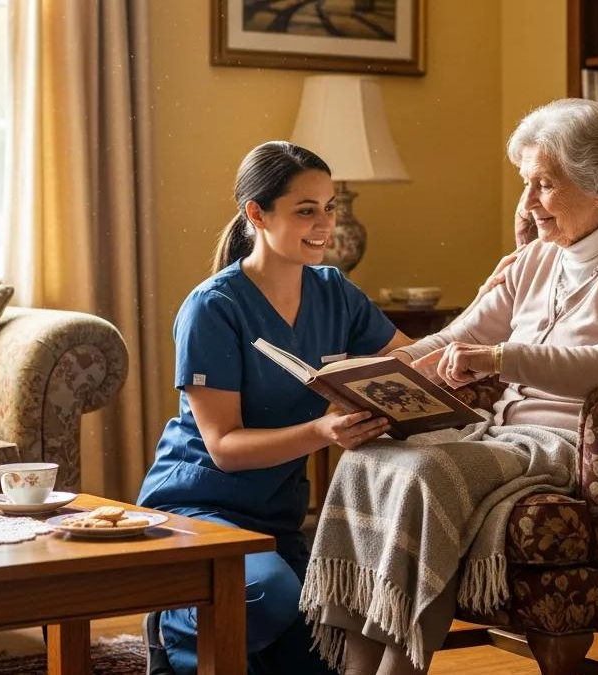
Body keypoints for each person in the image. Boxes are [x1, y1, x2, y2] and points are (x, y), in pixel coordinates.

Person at [303, 98, 598, 675]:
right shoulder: (539, 257)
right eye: (526, 183)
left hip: (578, 444)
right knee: (369, 457)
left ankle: (400, 667)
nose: (528, 203)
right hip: (506, 432)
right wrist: (372, 375)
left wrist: (501, 358)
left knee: (426, 470)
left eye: (544, 185)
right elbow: (455, 337)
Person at [138, 141, 409, 675]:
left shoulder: (335, 291)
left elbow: (413, 360)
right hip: (198, 509)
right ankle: (172, 626)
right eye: (305, 210)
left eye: (329, 207)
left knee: (333, 643)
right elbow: (225, 449)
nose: (324, 224)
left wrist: (491, 311)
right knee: (269, 599)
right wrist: (324, 429)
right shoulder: (213, 308)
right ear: (256, 215)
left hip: (277, 519)